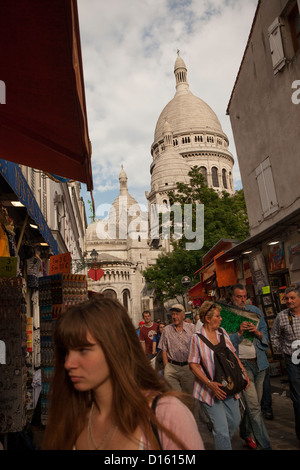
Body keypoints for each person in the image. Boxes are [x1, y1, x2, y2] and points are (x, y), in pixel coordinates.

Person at [42, 296, 204, 450]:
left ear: (116, 347)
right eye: (65, 352)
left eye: (83, 349)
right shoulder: (73, 416)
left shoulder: (167, 414)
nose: (69, 363)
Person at [189, 301, 249, 450]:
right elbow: (193, 365)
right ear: (208, 319)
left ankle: (221, 438)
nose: (221, 319)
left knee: (235, 421)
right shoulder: (196, 338)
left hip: (229, 386)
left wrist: (243, 372)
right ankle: (221, 439)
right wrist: (209, 383)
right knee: (221, 429)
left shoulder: (222, 332)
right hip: (209, 390)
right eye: (218, 316)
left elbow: (232, 354)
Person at [229, 284, 272, 450]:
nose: (242, 300)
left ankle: (245, 432)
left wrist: (257, 333)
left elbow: (264, 333)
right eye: (238, 296)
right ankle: (265, 446)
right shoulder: (227, 315)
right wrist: (239, 333)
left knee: (255, 405)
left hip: (259, 363)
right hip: (243, 366)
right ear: (232, 297)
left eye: (244, 296)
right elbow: (227, 343)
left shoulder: (254, 310)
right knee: (254, 407)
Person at [271, 286, 300, 447]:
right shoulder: (281, 316)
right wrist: (284, 351)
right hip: (293, 360)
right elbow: (274, 336)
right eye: (286, 298)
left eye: (292, 298)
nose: (289, 301)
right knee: (298, 398)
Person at [158, 304, 195, 394]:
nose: (175, 317)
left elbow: (196, 347)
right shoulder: (167, 330)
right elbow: (164, 350)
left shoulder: (192, 328)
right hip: (172, 368)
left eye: (177, 314)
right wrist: (166, 367)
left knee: (188, 395)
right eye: (173, 314)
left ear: (183, 315)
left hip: (188, 368)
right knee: (176, 396)